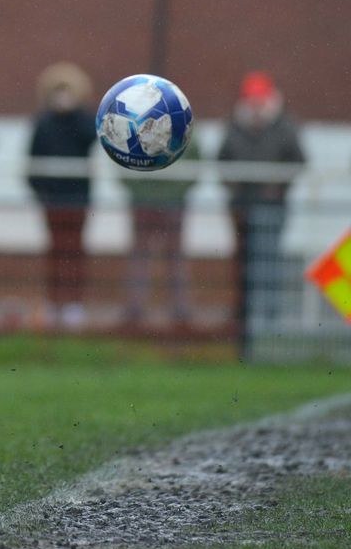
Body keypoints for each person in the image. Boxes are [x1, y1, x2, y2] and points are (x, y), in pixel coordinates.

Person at [216, 70, 304, 348]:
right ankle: (245, 316)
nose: (255, 106)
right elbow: (223, 160)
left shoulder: (284, 126)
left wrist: (278, 185)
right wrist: (232, 186)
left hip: (271, 206)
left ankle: (269, 318)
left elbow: (298, 161)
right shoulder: (234, 125)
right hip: (241, 206)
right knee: (243, 262)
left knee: (267, 261)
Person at [27, 61, 97, 330]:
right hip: (52, 201)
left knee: (75, 249)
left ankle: (75, 304)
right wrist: (42, 193)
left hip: (77, 200)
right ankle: (55, 302)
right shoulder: (43, 124)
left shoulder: (83, 121)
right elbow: (33, 161)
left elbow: (91, 139)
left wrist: (75, 112)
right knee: (56, 251)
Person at [121, 133, 199, 326]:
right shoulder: (133, 127)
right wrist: (141, 191)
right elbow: (119, 160)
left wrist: (173, 192)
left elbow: (195, 166)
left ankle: (180, 311)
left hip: (173, 203)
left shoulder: (185, 129)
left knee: (174, 256)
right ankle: (135, 309)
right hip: (142, 202)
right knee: (140, 256)